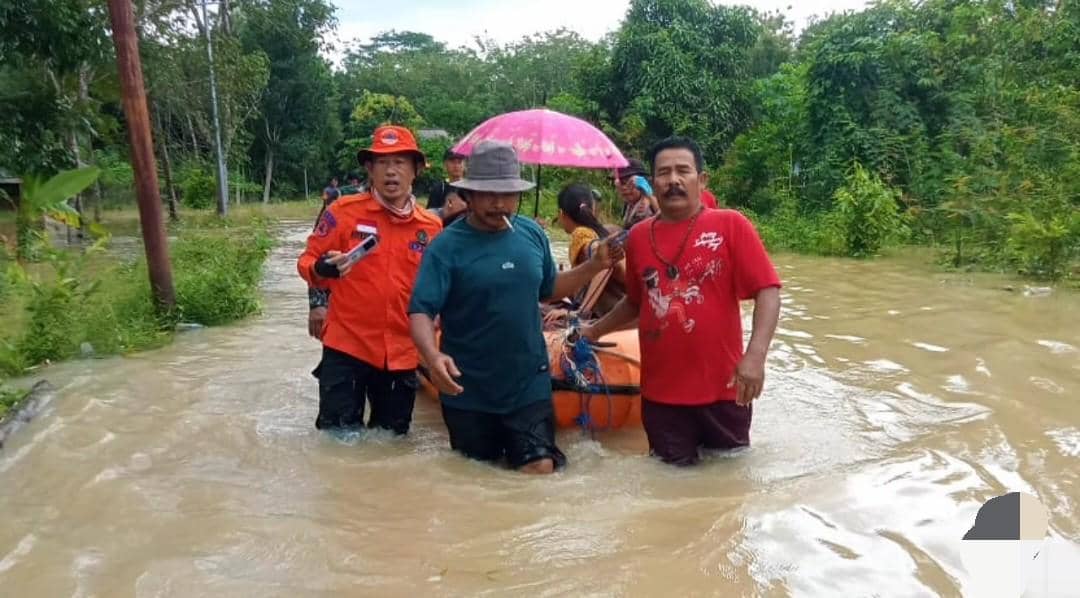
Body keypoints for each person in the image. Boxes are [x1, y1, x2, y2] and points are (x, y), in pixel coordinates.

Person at [408, 140, 624, 474]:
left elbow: (550, 288)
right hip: (468, 387)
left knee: (539, 468)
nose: (500, 204)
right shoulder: (445, 247)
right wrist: (433, 357)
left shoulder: (531, 235)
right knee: (476, 477)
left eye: (508, 194)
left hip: (528, 382)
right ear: (469, 195)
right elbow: (421, 309)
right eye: (489, 195)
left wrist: (594, 266)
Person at [581, 136, 782, 466]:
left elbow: (768, 290)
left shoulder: (731, 225)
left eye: (682, 171)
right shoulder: (639, 237)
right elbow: (635, 303)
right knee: (671, 489)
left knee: (729, 487)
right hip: (662, 397)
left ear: (701, 180)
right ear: (653, 182)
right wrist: (594, 331)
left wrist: (755, 357)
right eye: (663, 173)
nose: (673, 180)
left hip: (724, 391)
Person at [298, 125, 443, 435]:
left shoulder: (431, 227)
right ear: (369, 169)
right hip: (347, 347)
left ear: (415, 170)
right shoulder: (342, 212)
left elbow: (439, 288)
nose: (391, 172)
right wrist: (322, 270)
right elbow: (307, 260)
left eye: (400, 163)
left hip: (402, 353)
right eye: (382, 163)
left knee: (390, 445)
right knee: (337, 444)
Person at [542, 183, 627, 327]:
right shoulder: (597, 232)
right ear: (592, 210)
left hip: (616, 316)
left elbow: (605, 264)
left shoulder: (581, 234)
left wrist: (581, 312)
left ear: (561, 214)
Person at [615, 158, 659, 229]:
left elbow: (665, 220)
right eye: (621, 183)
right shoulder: (628, 204)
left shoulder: (649, 204)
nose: (625, 188)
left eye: (630, 182)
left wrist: (649, 196)